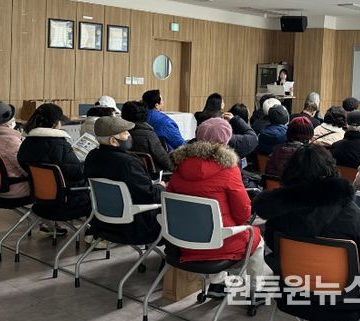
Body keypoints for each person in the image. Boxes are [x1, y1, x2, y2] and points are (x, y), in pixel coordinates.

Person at [252, 144, 360, 321]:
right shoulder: (346, 208)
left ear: (290, 172)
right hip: (345, 299)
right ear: (330, 170)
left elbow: (272, 245)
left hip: (293, 293)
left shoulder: (278, 210)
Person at [168, 118, 264, 298]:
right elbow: (243, 213)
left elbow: (171, 202)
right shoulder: (229, 169)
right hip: (219, 244)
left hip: (183, 241)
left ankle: (218, 284)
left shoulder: (179, 166)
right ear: (225, 141)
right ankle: (256, 292)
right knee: (256, 239)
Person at [83, 116, 164, 243]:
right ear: (113, 141)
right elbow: (149, 195)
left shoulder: (92, 156)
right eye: (125, 133)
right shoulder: (127, 163)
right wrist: (161, 187)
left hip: (102, 222)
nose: (129, 135)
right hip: (134, 226)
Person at [17, 103, 89, 214]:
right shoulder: (60, 145)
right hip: (67, 200)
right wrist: (86, 163)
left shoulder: (27, 142)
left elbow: (22, 163)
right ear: (54, 124)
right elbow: (78, 172)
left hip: (39, 198)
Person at [120, 101, 172, 172]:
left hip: (123, 171)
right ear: (145, 116)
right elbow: (162, 158)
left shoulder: (117, 133)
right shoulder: (149, 135)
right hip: (148, 174)